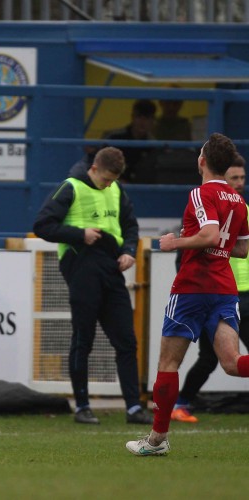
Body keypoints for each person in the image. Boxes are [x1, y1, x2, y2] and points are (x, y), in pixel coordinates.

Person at [125, 133, 249, 456]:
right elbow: (242, 249)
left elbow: (208, 233)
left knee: (168, 362)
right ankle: (157, 439)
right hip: (224, 289)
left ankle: (157, 440)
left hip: (193, 286)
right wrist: (214, 243)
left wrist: (175, 242)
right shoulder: (240, 203)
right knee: (233, 363)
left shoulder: (200, 193)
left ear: (202, 161)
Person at [33, 146, 153, 426]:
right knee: (83, 339)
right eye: (106, 179)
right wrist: (79, 234)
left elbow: (130, 226)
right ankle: (83, 407)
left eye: (113, 180)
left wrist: (129, 251)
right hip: (82, 267)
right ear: (94, 169)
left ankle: (134, 408)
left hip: (112, 268)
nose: (109, 184)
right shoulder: (71, 187)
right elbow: (42, 225)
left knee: (126, 340)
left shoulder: (117, 189)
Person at [171, 154, 249, 423]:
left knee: (223, 361)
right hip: (222, 292)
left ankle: (173, 412)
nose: (238, 183)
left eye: (242, 178)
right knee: (211, 359)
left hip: (231, 294)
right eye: (234, 178)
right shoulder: (212, 201)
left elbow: (238, 247)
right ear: (222, 177)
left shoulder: (241, 208)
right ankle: (180, 403)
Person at [103, 99, 157, 183]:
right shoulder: (114, 138)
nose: (142, 122)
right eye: (139, 116)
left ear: (153, 121)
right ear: (132, 117)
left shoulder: (154, 146)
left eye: (147, 118)